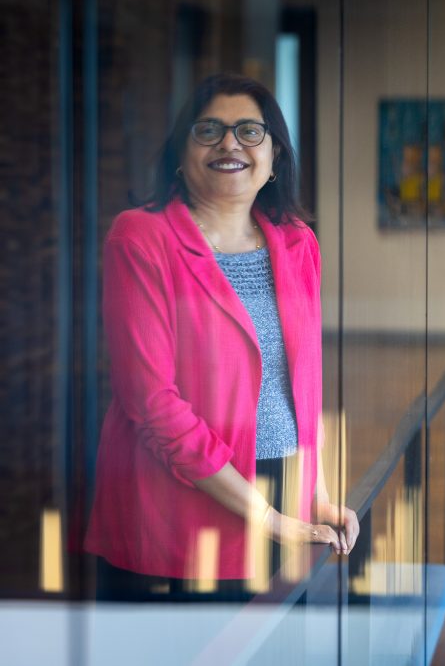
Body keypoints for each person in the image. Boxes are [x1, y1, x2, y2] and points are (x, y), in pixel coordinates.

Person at [86, 73, 359, 600]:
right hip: (180, 501)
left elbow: (303, 381)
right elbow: (152, 404)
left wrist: (315, 496)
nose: (230, 143)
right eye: (208, 129)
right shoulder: (141, 237)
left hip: (284, 491)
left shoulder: (297, 241)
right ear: (180, 153)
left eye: (249, 132)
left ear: (275, 156)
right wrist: (268, 516)